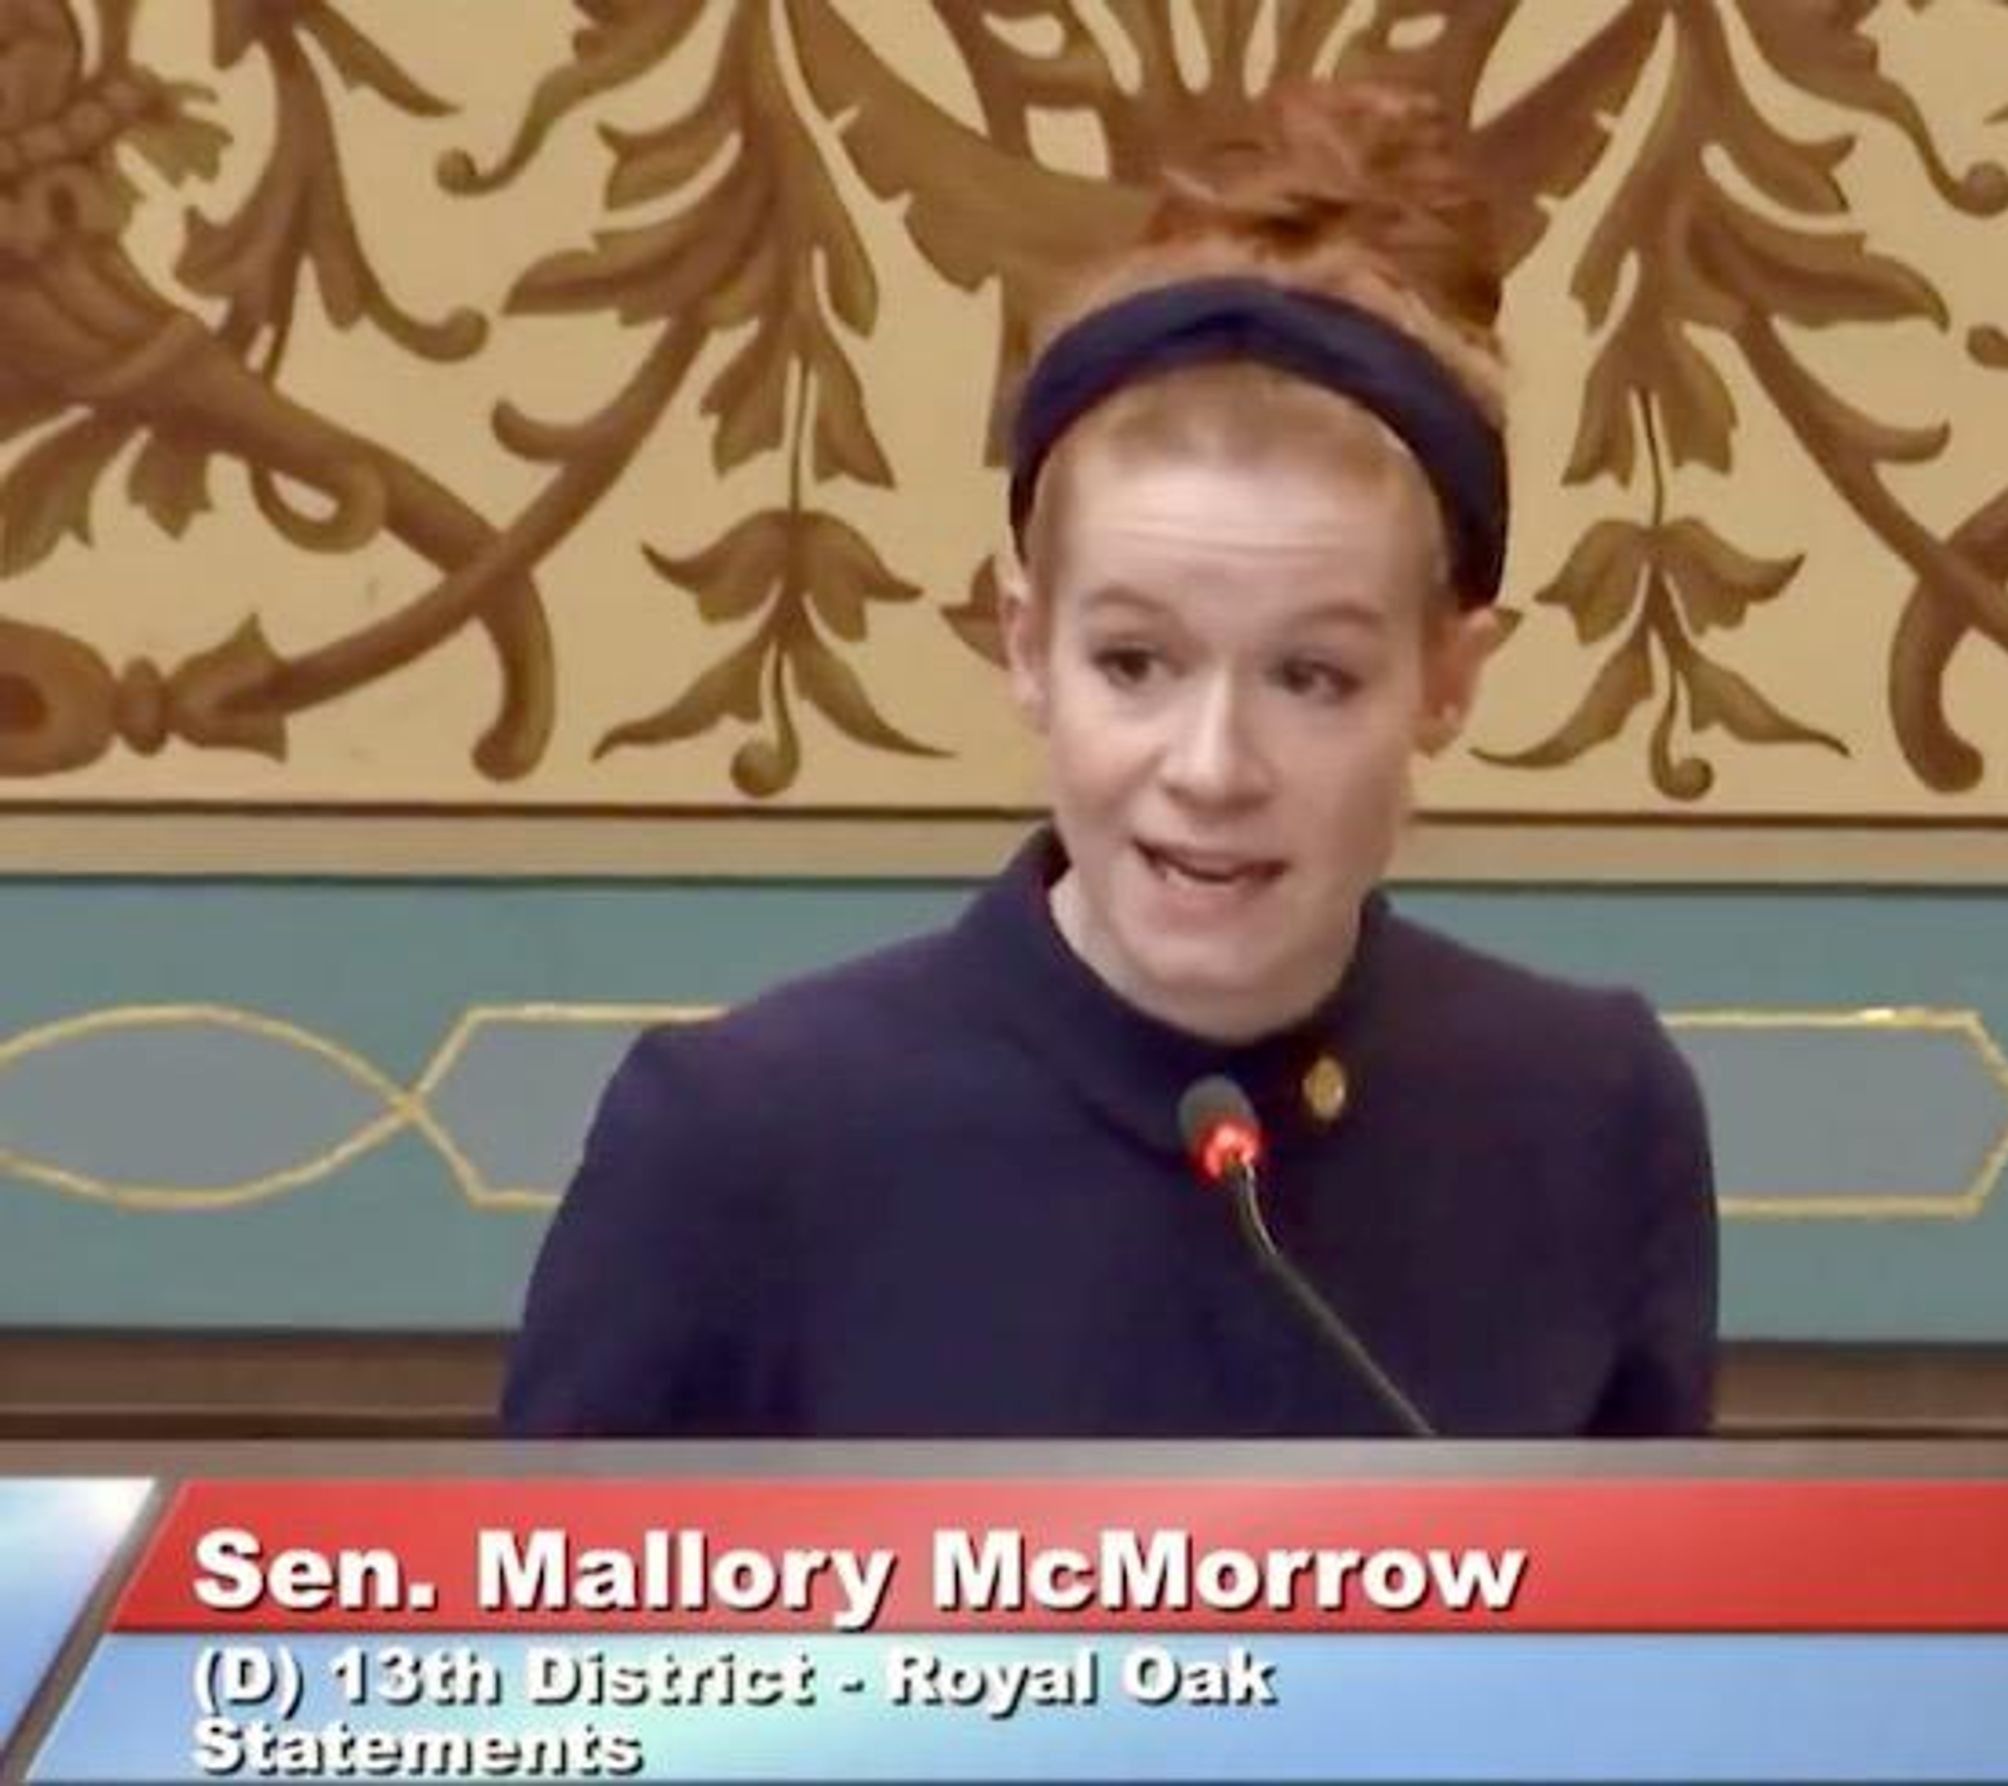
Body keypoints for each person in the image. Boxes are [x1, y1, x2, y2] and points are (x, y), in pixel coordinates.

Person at [501, 79, 1717, 1438]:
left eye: (1311, 677)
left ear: (1447, 680)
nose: (1213, 767)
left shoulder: (1590, 1117)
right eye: (1137, 663)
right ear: (1026, 646)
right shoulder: (737, 1139)